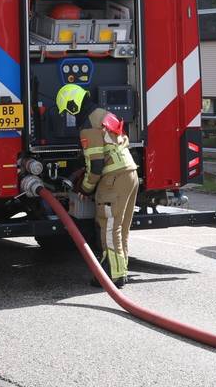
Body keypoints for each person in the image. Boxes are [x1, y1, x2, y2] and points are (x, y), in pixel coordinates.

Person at [56, 83, 138, 288]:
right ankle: (120, 269)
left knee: (109, 226)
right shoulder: (102, 113)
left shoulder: (88, 124)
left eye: (68, 109)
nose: (69, 115)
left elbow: (96, 166)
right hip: (130, 173)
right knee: (121, 227)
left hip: (113, 179)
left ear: (73, 105)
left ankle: (114, 276)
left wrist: (84, 188)